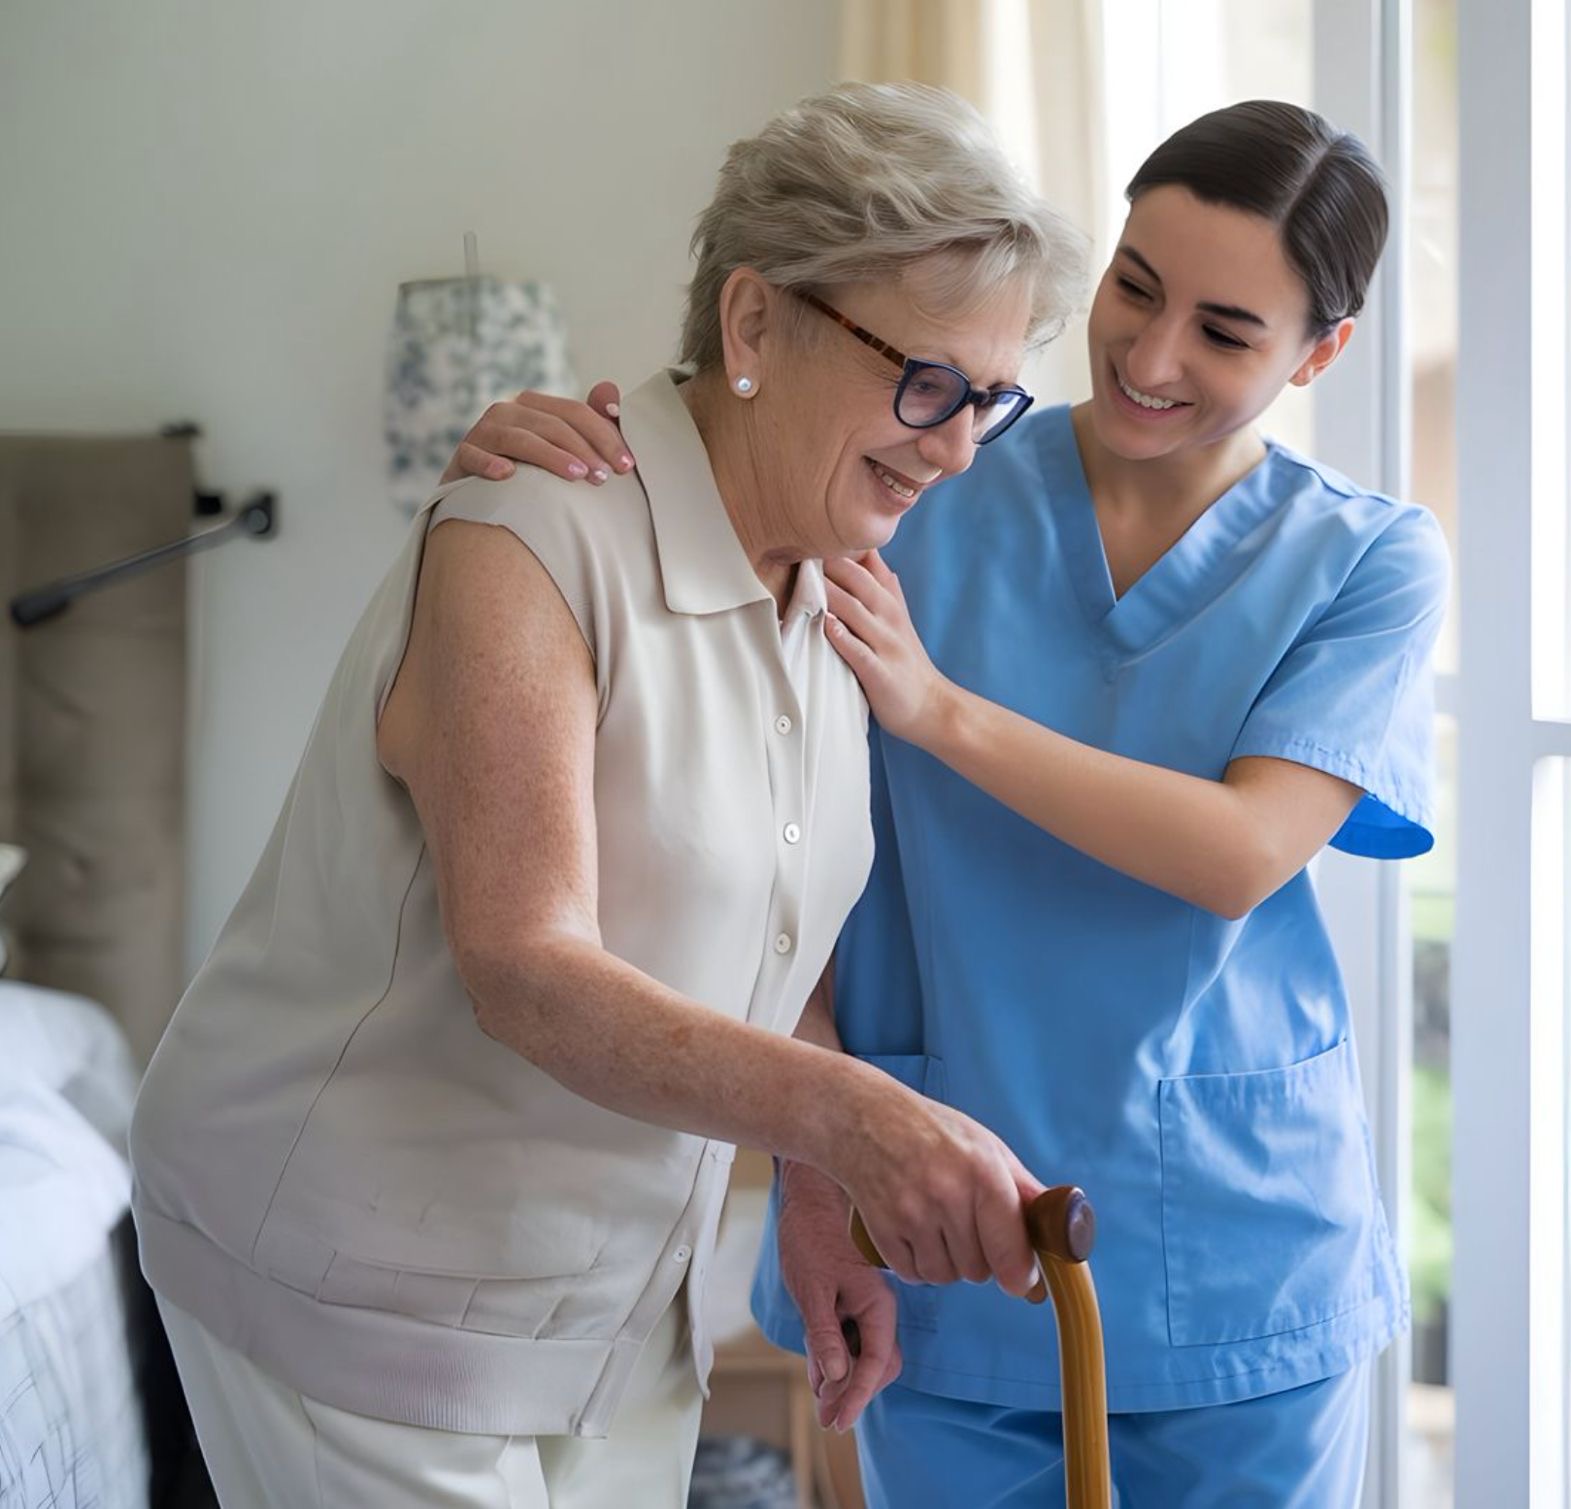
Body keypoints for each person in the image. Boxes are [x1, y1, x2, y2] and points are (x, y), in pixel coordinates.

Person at [447, 99, 1448, 1507]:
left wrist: (939, 711)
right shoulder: (921, 467)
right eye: (1134, 289)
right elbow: (779, 828)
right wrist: (555, 451)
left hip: (1239, 1255)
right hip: (931, 1230)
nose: (1151, 357)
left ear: (1320, 352)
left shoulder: (1368, 561)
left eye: (1226, 334)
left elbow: (1240, 853)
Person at [127, 82, 1090, 1509]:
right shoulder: (534, 534)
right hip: (363, 1284)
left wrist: (815, 1190)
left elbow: (764, 923)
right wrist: (855, 1120)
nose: (954, 446)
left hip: (620, 1306)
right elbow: (527, 963)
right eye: (927, 383)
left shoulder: (834, 591)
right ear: (753, 324)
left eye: (990, 402)